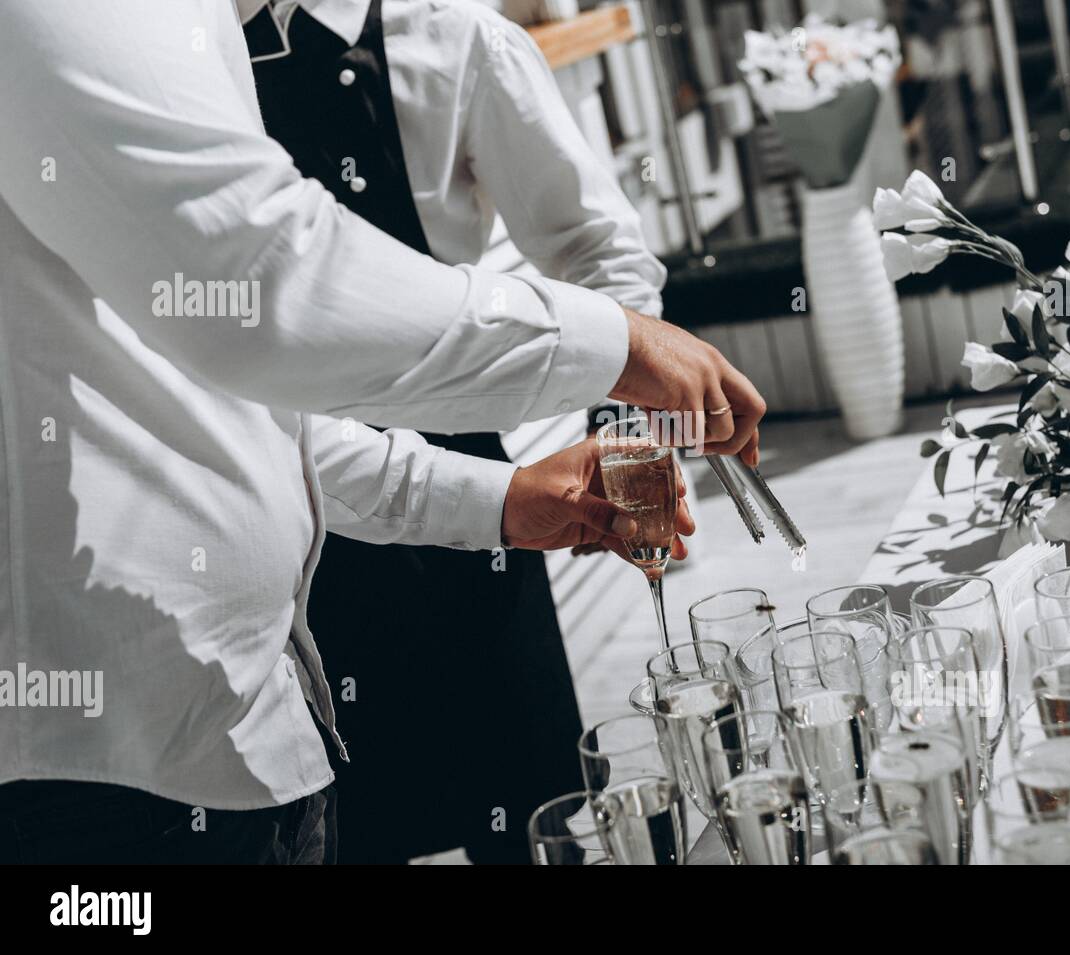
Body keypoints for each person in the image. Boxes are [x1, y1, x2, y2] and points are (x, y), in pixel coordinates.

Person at [0, 0, 764, 863]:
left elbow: (249, 412)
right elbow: (265, 288)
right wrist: (611, 345)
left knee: (526, 812)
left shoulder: (458, 40)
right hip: (118, 781)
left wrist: (507, 495)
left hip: (281, 673)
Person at [239, 0, 667, 864]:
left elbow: (600, 251)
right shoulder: (193, 59)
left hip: (473, 501)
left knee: (529, 822)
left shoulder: (459, 39)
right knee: (354, 830)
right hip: (300, 509)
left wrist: (623, 426)